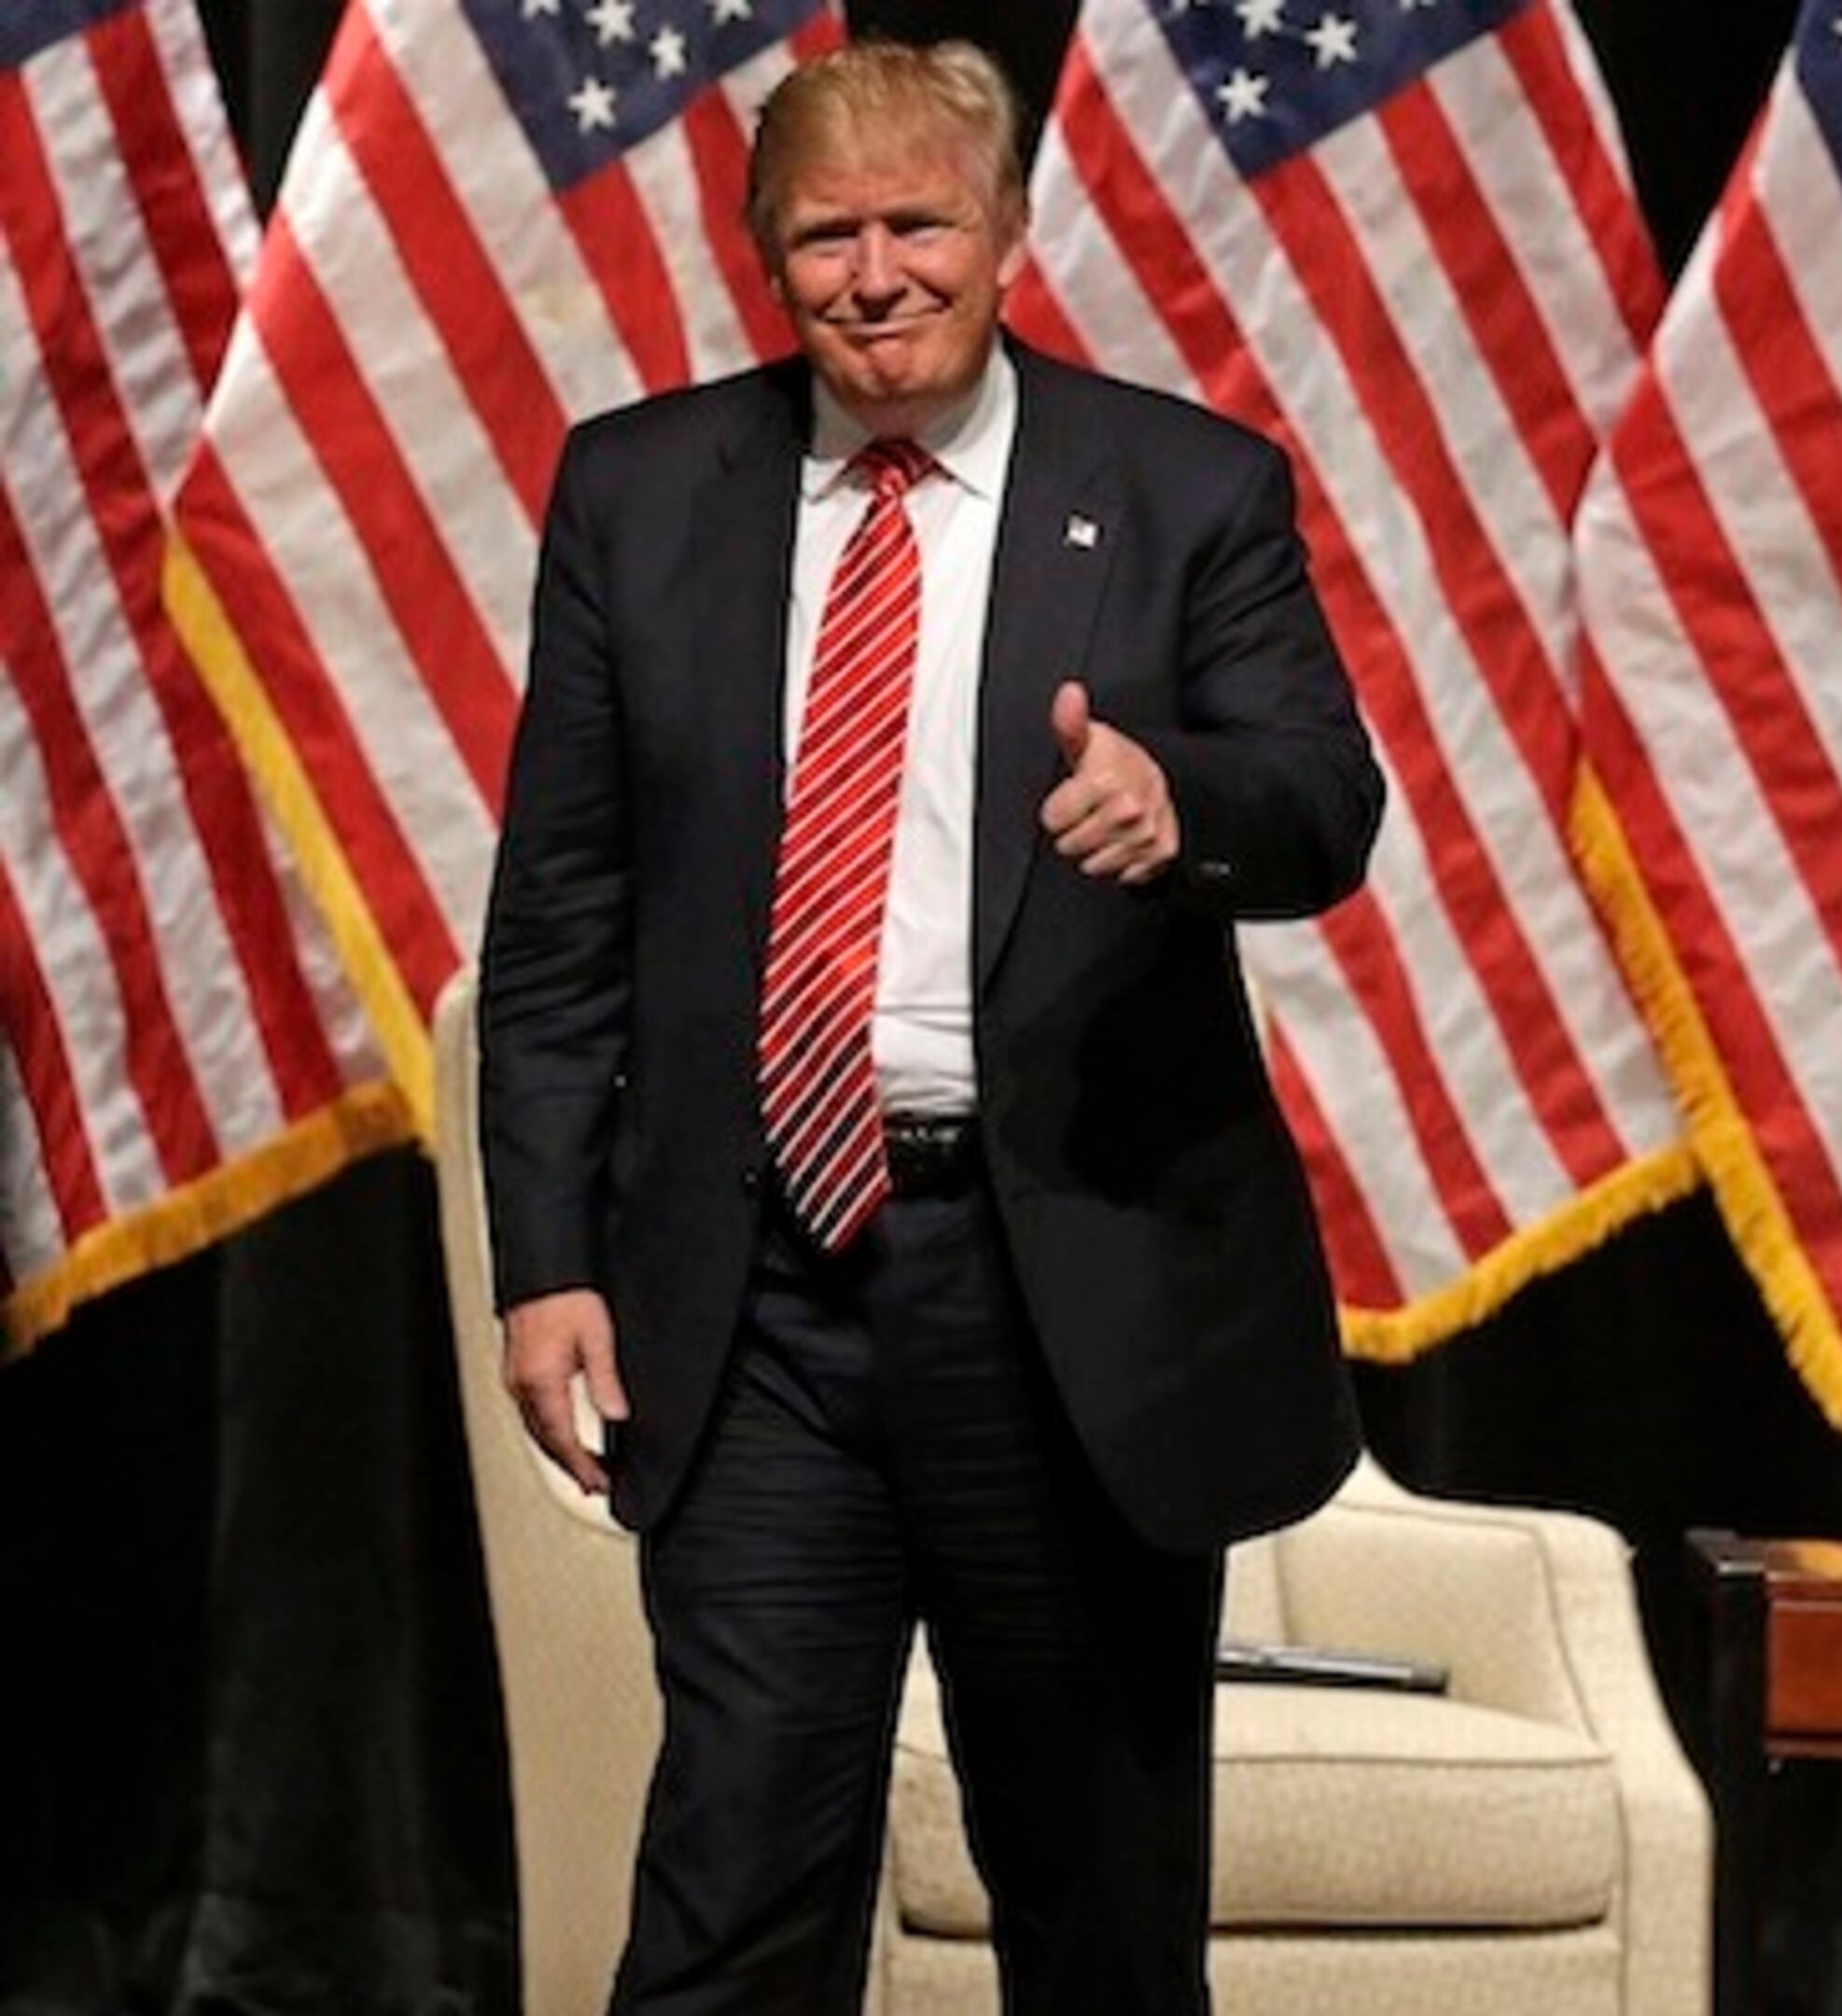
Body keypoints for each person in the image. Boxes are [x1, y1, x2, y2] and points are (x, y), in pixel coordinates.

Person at [475, 37, 1382, 2015]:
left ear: (1005, 233)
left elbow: (1324, 794)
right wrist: (543, 1260)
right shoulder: (640, 492)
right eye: (828, 236)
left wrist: (1188, 804)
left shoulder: (1180, 489)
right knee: (729, 1889)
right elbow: (561, 915)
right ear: (764, 259)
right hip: (762, 1301)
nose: (877, 273)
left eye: (919, 223)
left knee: (1096, 1906)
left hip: (1064, 1300)